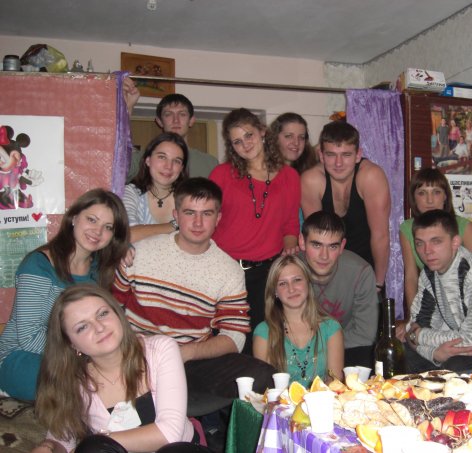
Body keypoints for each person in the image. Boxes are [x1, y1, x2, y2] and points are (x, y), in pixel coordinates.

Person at [113, 177, 274, 415]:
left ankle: (175, 409)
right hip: (138, 357)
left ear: (218, 218)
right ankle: (164, 409)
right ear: (176, 215)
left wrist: (187, 353)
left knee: (263, 376)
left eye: (207, 214)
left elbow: (234, 337)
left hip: (190, 361)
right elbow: (112, 309)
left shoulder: (229, 270)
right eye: (190, 213)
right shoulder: (140, 253)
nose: (198, 223)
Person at [33, 284, 209, 453]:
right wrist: (49, 447)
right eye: (82, 327)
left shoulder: (160, 349)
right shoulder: (75, 380)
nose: (99, 328)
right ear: (71, 344)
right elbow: (62, 437)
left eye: (102, 314)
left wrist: (100, 440)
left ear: (118, 314)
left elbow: (170, 434)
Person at [0, 189, 130, 401]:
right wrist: (83, 354)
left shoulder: (99, 269)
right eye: (92, 220)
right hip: (22, 356)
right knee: (88, 385)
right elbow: (28, 337)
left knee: (124, 372)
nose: (98, 231)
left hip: (79, 351)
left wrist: (129, 248)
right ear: (74, 217)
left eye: (108, 227)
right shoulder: (39, 265)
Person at [209, 108, 300, 349]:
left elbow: (290, 223)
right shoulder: (221, 174)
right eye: (237, 141)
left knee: (262, 342)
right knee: (225, 342)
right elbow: (207, 221)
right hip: (224, 270)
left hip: (266, 273)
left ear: (262, 132)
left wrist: (289, 248)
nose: (245, 145)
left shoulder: (290, 176)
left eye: (248, 135)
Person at [404, 210, 472, 373]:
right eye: (419, 243)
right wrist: (434, 354)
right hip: (457, 341)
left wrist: (418, 336)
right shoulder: (429, 273)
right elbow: (415, 327)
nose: (427, 251)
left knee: (455, 365)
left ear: (455, 242)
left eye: (436, 241)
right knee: (402, 353)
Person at [301, 121, 390, 290]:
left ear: (358, 155)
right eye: (331, 155)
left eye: (346, 155)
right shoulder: (311, 180)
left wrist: (378, 283)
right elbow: (315, 239)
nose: (338, 163)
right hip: (327, 270)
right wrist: (319, 283)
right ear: (321, 155)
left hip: (366, 269)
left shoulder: (371, 176)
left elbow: (381, 235)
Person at [398, 168, 472, 327]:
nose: (429, 200)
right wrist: (413, 319)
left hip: (466, 304)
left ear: (445, 197)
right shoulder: (407, 228)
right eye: (422, 193)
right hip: (432, 302)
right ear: (414, 199)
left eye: (436, 192)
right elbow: (411, 277)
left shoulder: (464, 226)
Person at [299, 211, 378, 368]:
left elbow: (365, 335)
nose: (324, 256)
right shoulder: (288, 272)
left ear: (342, 246)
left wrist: (324, 346)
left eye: (333, 246)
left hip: (346, 349)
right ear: (302, 242)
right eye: (316, 245)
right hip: (298, 352)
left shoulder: (360, 271)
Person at [253, 255, 344, 387]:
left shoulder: (331, 328)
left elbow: (335, 382)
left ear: (308, 283)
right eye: (282, 283)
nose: (291, 289)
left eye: (297, 280)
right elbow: (266, 387)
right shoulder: (264, 332)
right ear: (275, 291)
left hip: (323, 399)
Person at [122, 81, 218, 181]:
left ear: (191, 121)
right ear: (159, 121)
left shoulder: (209, 163)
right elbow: (119, 172)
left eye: (182, 114)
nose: (176, 120)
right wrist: (127, 108)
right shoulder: (144, 158)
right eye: (168, 114)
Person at [122, 132, 188, 243]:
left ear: (181, 168)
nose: (168, 166)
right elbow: (128, 235)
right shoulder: (131, 192)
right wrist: (176, 224)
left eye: (176, 161)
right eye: (162, 157)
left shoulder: (189, 198)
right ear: (148, 160)